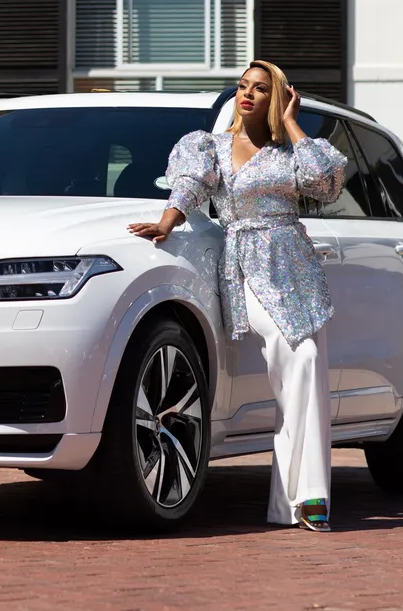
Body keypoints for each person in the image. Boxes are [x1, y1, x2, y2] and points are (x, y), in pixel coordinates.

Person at [128, 60, 347, 532]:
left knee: (308, 368)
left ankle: (305, 497)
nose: (247, 94)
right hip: (245, 263)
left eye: (261, 88)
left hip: (295, 267)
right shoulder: (212, 147)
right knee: (301, 361)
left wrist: (292, 124)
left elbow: (325, 183)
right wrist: (166, 223)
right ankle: (301, 495)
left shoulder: (290, 153)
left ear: (276, 97)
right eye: (243, 85)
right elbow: (189, 187)